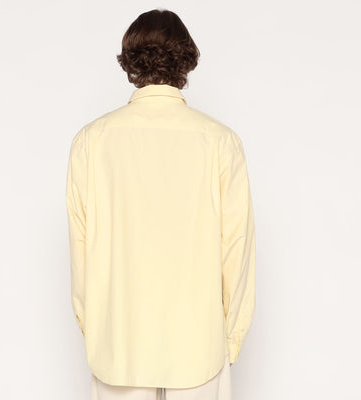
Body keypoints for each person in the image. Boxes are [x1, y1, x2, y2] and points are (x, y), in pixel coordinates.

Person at [65, 8, 256, 400]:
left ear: (131, 62)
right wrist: (231, 338)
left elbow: (80, 250)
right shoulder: (220, 141)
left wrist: (96, 331)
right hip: (198, 341)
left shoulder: (91, 141)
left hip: (119, 340)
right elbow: (237, 249)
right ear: (185, 61)